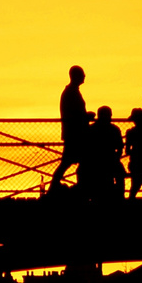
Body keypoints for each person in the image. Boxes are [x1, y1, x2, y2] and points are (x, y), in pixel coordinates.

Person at [53, 65, 90, 193]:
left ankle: (81, 187)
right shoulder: (71, 92)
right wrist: (86, 116)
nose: (85, 76)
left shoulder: (72, 91)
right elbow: (74, 113)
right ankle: (56, 186)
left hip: (75, 132)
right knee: (69, 162)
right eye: (82, 74)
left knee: (74, 162)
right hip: (75, 133)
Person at [82, 105, 124, 200]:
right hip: (107, 158)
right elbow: (120, 147)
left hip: (95, 160)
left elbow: (86, 147)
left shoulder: (91, 129)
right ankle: (120, 197)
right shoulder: (114, 129)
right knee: (120, 174)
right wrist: (116, 158)